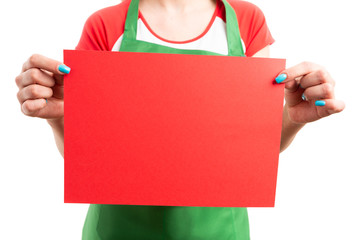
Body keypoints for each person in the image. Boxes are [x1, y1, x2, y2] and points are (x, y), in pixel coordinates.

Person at [15, 0, 345, 239]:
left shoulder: (245, 21)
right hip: (120, 227)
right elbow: (90, 162)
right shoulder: (106, 25)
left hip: (217, 229)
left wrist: (294, 117)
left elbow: (252, 151)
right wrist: (57, 117)